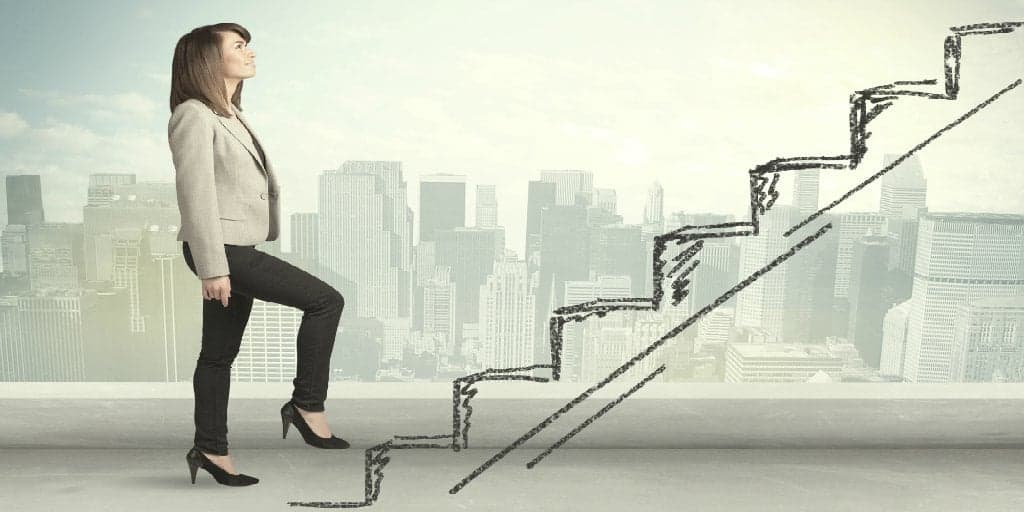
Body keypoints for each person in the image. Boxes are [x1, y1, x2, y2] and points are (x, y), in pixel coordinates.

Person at [168, 22, 350, 487]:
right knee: (326, 300)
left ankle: (210, 448)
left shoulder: (230, 113)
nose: (250, 53)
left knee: (216, 356)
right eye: (239, 46)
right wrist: (213, 268)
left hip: (235, 246)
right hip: (221, 251)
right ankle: (307, 405)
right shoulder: (194, 114)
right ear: (210, 59)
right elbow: (196, 195)